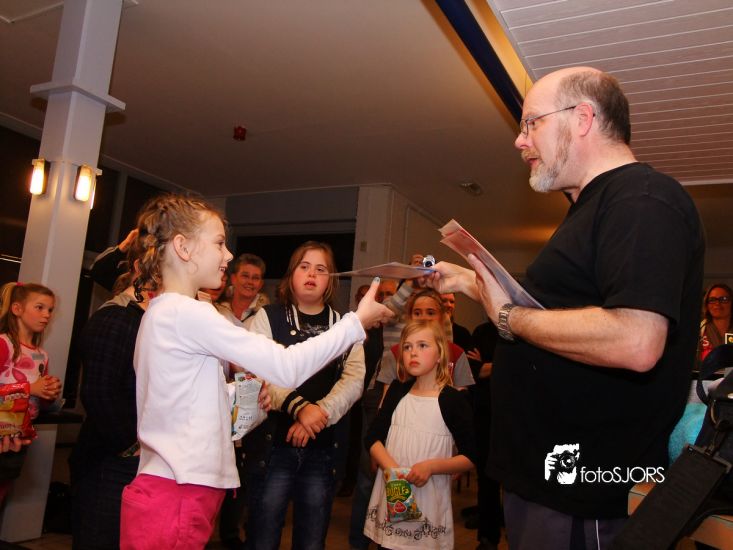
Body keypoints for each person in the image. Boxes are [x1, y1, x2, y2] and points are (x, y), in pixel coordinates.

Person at [425, 67, 705, 549]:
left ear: (582, 118)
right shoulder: (592, 209)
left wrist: (508, 318)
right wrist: (470, 282)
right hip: (549, 482)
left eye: (531, 122)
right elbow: (559, 311)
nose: (519, 140)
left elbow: (636, 340)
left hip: (584, 493)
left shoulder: (641, 198)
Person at [118, 194, 392, 550]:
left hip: (175, 487)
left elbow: (185, 402)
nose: (228, 255)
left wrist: (246, 401)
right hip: (178, 492)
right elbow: (286, 367)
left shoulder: (163, 312)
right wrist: (356, 323)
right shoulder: (187, 313)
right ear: (183, 247)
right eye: (219, 243)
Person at [244, 241, 365, 550]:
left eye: (321, 269)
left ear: (330, 280)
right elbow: (260, 371)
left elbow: (354, 379)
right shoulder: (267, 317)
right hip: (273, 448)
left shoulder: (345, 326)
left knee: (312, 540)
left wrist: (318, 414)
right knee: (262, 537)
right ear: (291, 275)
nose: (312, 274)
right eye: (304, 266)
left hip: (323, 448)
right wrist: (299, 408)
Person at [363, 320, 476, 549]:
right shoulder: (397, 391)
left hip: (429, 503)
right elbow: (372, 437)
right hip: (394, 493)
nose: (413, 352)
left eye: (422, 345)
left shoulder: (452, 400)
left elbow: (472, 456)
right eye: (407, 347)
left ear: (440, 354)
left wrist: (431, 467)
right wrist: (394, 471)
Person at [0, 282, 61, 505]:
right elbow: (28, 389)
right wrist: (30, 388)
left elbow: (38, 403)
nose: (46, 315)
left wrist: (48, 394)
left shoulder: (41, 355)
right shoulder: (4, 344)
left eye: (50, 310)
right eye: (39, 307)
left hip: (18, 437)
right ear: (17, 309)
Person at [377, 288, 474, 396]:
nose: (423, 318)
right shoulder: (396, 352)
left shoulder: (456, 353)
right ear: (410, 317)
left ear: (442, 317)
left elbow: (461, 399)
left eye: (430, 313)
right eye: (417, 313)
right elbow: (386, 399)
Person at [219, 253, 270, 326]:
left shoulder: (267, 314)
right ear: (233, 279)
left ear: (261, 284)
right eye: (245, 276)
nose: (250, 282)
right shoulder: (216, 308)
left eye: (255, 278)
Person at [698, 283, 733, 363]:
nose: (717, 303)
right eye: (712, 300)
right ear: (706, 304)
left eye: (723, 299)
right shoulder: (699, 331)